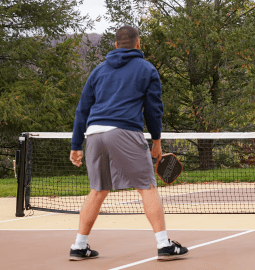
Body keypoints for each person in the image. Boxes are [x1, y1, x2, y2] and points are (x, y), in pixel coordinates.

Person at [68, 25, 188, 261]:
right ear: (138, 43)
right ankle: (164, 244)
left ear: (115, 45)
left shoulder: (98, 71)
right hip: (123, 131)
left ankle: (79, 246)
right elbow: (153, 110)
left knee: (98, 190)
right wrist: (156, 141)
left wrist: (75, 145)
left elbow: (82, 109)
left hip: (93, 133)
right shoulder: (147, 69)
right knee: (147, 186)